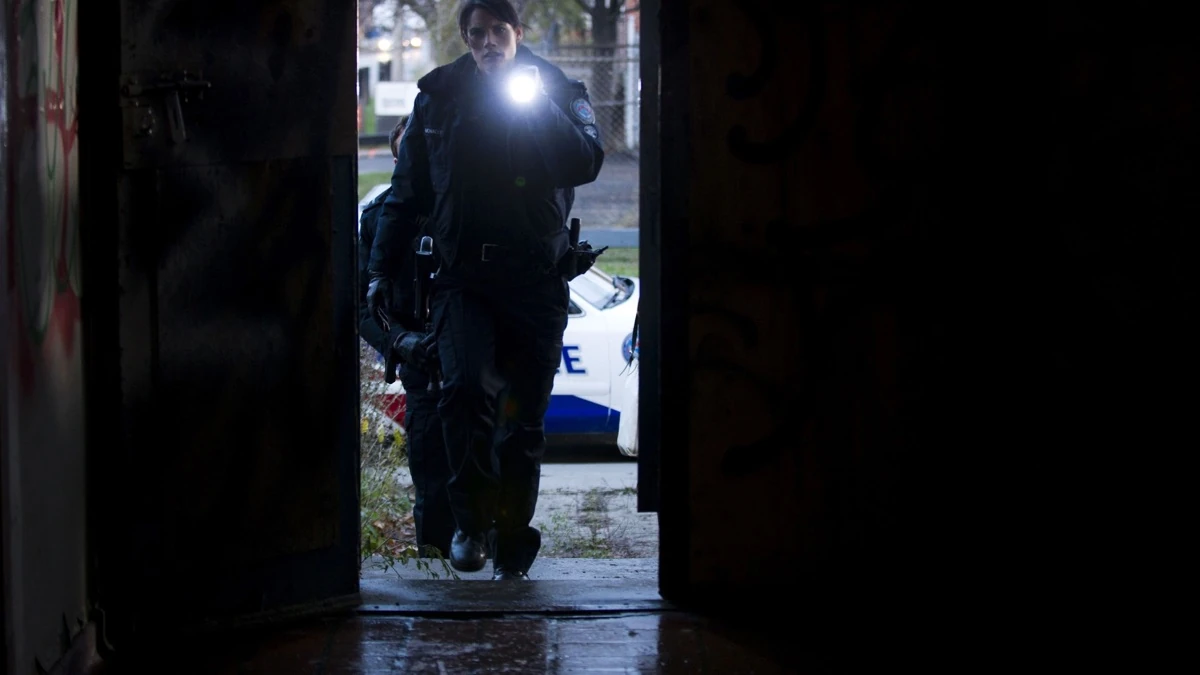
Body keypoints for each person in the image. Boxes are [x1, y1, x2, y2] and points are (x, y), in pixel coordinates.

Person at [367, 0, 604, 580]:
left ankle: (511, 542)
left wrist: (538, 105)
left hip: (534, 281)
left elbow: (585, 162)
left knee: (521, 420)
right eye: (477, 34)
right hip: (464, 279)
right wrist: (378, 271)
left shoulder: (557, 89)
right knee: (465, 390)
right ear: (466, 40)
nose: (488, 42)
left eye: (499, 31)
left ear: (517, 33)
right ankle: (470, 521)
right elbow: (406, 192)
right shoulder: (438, 97)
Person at [358, 115, 456, 559]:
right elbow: (361, 306)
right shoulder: (378, 220)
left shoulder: (470, 209)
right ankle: (434, 571)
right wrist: (398, 341)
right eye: (410, 155)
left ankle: (496, 574)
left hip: (475, 361)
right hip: (421, 366)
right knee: (431, 482)